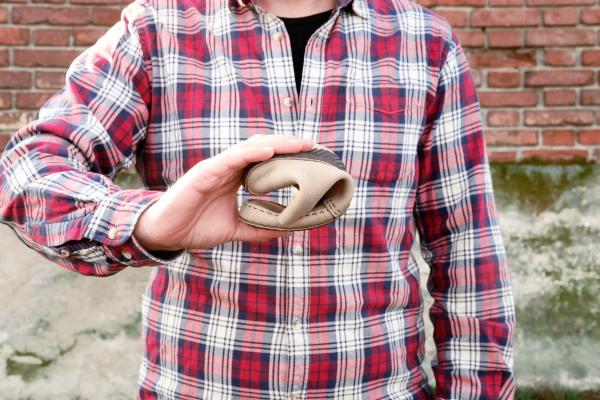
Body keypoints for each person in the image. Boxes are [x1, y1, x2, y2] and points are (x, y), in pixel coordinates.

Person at [0, 0, 516, 398]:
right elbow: (26, 170)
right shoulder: (157, 28)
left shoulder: (425, 43)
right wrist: (150, 222)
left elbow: (467, 253)